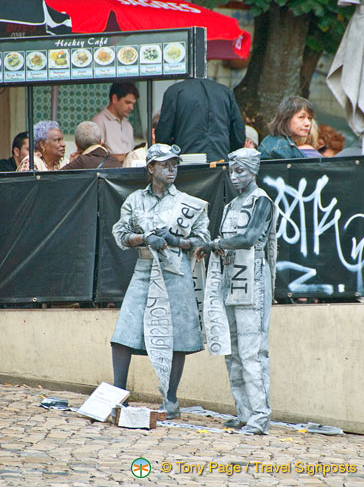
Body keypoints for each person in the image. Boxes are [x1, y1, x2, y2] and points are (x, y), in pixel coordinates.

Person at [111, 143, 210, 418]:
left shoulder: (189, 203)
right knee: (123, 334)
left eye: (175, 164)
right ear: (151, 167)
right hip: (144, 269)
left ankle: (170, 400)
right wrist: (143, 238)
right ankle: (119, 396)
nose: (172, 169)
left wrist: (177, 240)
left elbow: (204, 240)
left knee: (176, 337)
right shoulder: (135, 200)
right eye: (166, 164)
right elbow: (120, 234)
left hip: (176, 272)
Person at [196, 148, 278, 435]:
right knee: (232, 350)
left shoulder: (261, 201)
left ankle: (259, 416)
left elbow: (250, 237)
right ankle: (244, 412)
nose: (234, 176)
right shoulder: (231, 206)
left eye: (240, 170)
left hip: (253, 279)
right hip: (231, 278)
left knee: (252, 349)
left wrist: (215, 243)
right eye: (231, 170)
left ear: (253, 171)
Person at [155, 78, 245, 163]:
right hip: (220, 162)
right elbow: (239, 137)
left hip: (186, 163)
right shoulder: (225, 92)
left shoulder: (175, 92)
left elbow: (163, 137)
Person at [92, 82, 139, 162]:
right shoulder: (99, 121)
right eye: (127, 102)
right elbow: (95, 156)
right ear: (115, 99)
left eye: (133, 104)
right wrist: (126, 157)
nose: (131, 108)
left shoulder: (128, 126)